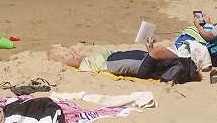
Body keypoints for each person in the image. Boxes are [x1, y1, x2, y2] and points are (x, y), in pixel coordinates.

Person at [48, 37, 201, 83]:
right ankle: (74, 55)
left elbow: (157, 53)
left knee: (88, 62)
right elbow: (155, 55)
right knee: (92, 59)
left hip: (130, 64)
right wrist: (151, 47)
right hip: (138, 63)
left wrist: (156, 49)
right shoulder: (173, 63)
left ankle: (59, 60)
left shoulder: (175, 58)